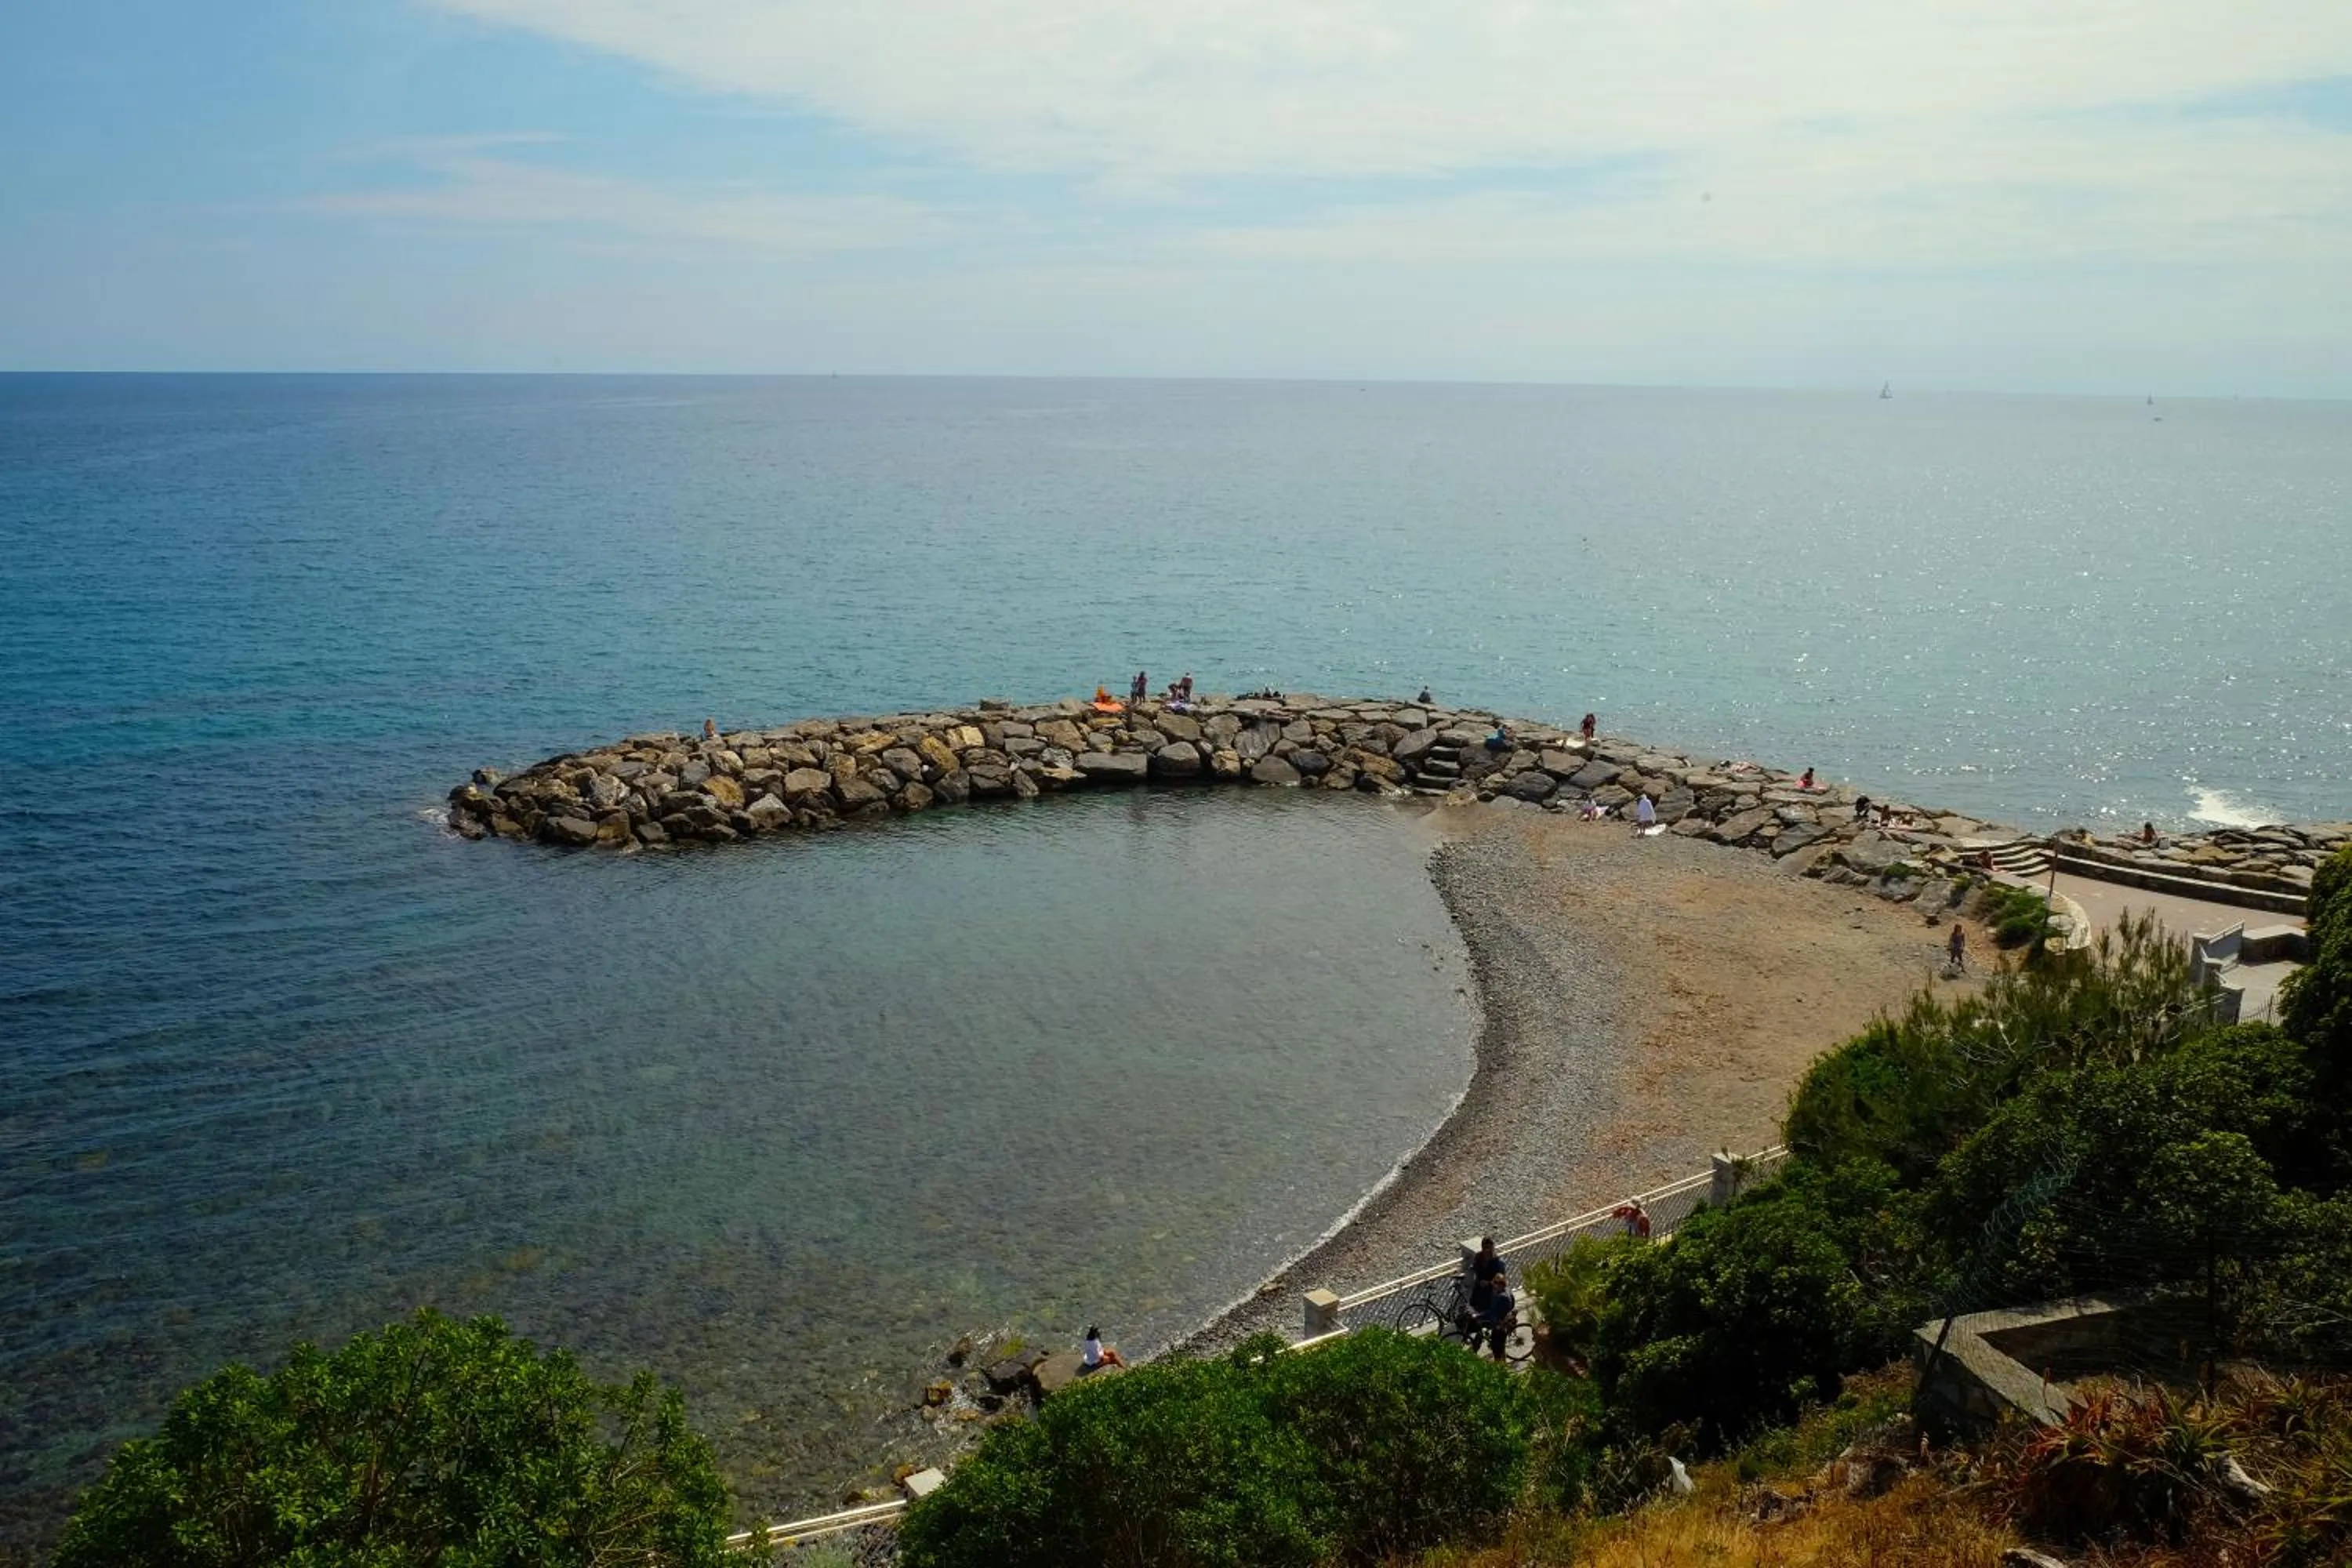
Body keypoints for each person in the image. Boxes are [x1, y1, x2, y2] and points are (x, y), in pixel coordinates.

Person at [1477, 1272, 1517, 1359]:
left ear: (1501, 1285)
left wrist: (1478, 1315)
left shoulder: (1502, 1298)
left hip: (1499, 1326)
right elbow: (1513, 1302)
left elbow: (1493, 1313)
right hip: (1503, 1323)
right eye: (1494, 1282)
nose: (1493, 1284)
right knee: (1501, 1349)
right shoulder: (1507, 1290)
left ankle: (1501, 1369)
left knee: (1497, 1351)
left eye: (1495, 1283)